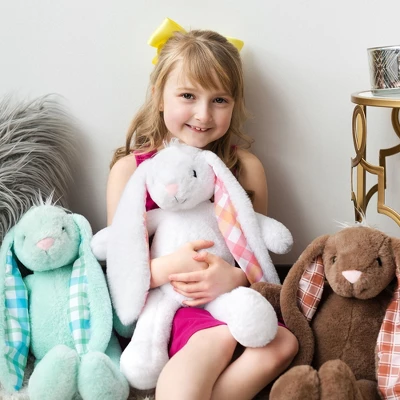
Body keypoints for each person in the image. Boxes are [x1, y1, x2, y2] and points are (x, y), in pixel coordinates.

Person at [107, 18, 298, 400]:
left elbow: (256, 257)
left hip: (234, 296)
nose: (203, 115)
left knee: (284, 343)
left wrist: (233, 278)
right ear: (159, 96)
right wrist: (169, 268)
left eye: (219, 100)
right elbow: (119, 265)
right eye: (188, 96)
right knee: (215, 339)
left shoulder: (246, 168)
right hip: (174, 304)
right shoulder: (133, 171)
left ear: (234, 104)